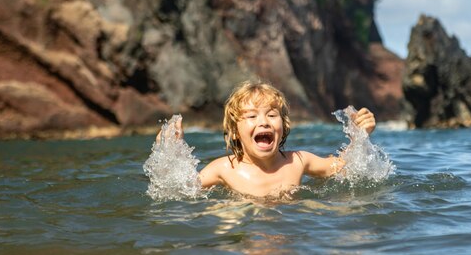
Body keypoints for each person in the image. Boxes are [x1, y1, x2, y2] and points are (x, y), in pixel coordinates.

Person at [156, 80, 376, 197]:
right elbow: (179, 188)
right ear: (234, 131)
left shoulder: (298, 161)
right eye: (251, 116)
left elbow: (344, 168)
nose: (264, 122)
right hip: (242, 224)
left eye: (272, 115)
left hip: (290, 224)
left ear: (283, 126)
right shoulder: (223, 169)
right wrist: (170, 152)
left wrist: (360, 136)